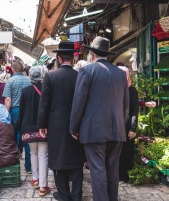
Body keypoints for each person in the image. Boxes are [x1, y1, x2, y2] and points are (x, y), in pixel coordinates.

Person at [69, 37, 129, 201]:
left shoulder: (87, 71)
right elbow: (125, 104)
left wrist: (74, 127)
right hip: (117, 129)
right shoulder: (120, 73)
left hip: (93, 129)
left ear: (91, 55)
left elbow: (79, 101)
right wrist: (121, 125)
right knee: (112, 170)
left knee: (97, 170)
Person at [38, 42, 85, 201]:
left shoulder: (50, 76)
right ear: (73, 58)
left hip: (56, 122)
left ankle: (64, 194)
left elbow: (44, 103)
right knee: (77, 158)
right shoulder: (80, 76)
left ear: (58, 58)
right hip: (77, 121)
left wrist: (42, 125)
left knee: (59, 157)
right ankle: (77, 195)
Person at [19, 66, 50, 197]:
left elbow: (21, 111)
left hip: (28, 127)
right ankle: (43, 185)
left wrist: (21, 126)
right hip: (44, 127)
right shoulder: (47, 89)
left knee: (33, 153)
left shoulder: (25, 91)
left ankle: (35, 179)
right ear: (42, 75)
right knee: (43, 155)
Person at [3, 61, 32, 174]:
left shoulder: (10, 81)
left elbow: (8, 99)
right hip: (27, 110)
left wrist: (6, 114)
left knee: (13, 136)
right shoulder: (28, 80)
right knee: (27, 137)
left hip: (14, 110)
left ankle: (14, 162)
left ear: (13, 70)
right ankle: (29, 167)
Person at [116, 62, 139, 183]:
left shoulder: (132, 91)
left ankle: (123, 175)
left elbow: (135, 110)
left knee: (127, 152)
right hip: (115, 125)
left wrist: (133, 128)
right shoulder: (114, 89)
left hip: (127, 125)